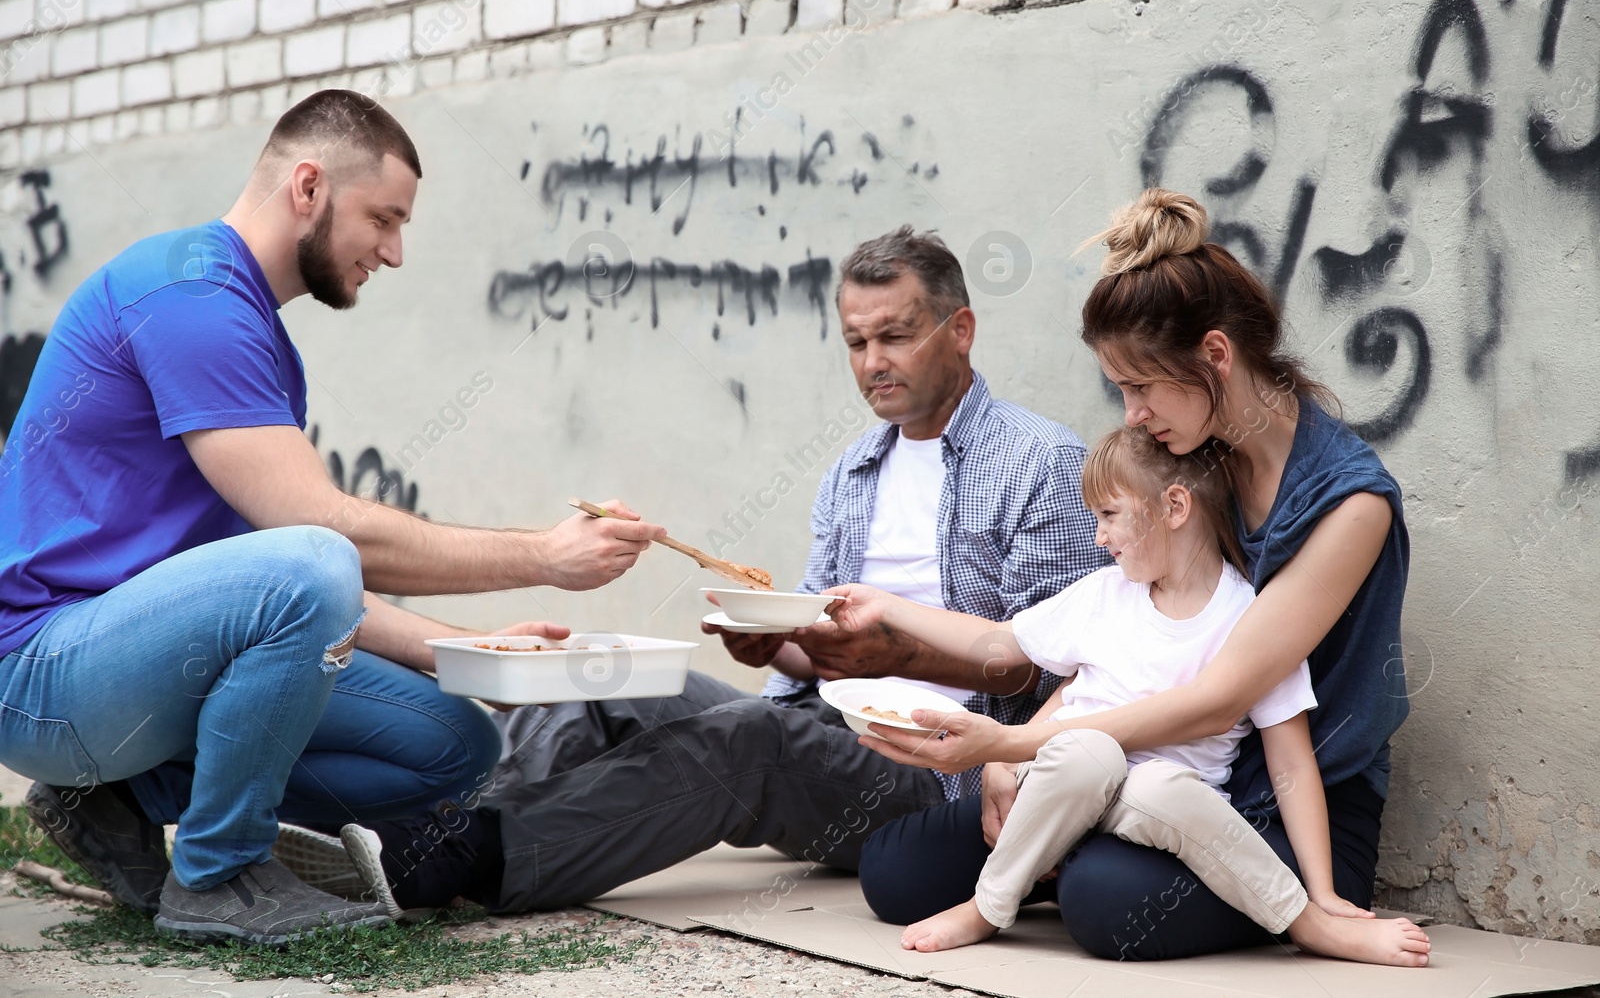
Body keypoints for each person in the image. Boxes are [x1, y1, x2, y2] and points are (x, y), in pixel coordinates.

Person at [279, 226, 1108, 914]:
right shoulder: (855, 469)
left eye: (895, 335)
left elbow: (1047, 667)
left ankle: (469, 857)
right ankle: (418, 822)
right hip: (827, 729)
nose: (872, 362)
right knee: (609, 670)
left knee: (746, 743)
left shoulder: (1041, 463)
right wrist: (776, 645)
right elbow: (822, 641)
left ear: (959, 330)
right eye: (855, 341)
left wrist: (899, 655)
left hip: (944, 772)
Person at [0, 90, 662, 945]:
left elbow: (270, 581)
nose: (393, 252)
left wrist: (465, 648)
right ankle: (218, 872)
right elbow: (319, 545)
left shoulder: (258, 337)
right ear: (308, 187)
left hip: (144, 661)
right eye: (383, 219)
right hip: (42, 673)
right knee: (312, 559)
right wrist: (545, 552)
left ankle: (124, 795)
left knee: (453, 741)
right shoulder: (188, 293)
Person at [855, 187, 1414, 962]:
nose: (1130, 414)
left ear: (1216, 355)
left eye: (1142, 386)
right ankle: (1053, 847)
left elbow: (1216, 700)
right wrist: (1034, 744)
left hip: (1276, 804)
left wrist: (1013, 747)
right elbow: (1116, 627)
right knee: (897, 872)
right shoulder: (1194, 453)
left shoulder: (1348, 503)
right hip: (1126, 763)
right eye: (1121, 389)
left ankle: (1064, 860)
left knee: (1105, 902)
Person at [832, 426, 1429, 967]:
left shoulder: (1246, 617)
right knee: (1071, 760)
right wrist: (887, 608)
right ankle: (1009, 888)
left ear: (1174, 507)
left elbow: (1291, 757)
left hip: (1154, 813)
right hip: (1064, 786)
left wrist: (1323, 890)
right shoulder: (1105, 594)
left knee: (1151, 781)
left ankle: (1308, 923)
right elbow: (998, 640)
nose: (1099, 537)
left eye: (1110, 515)